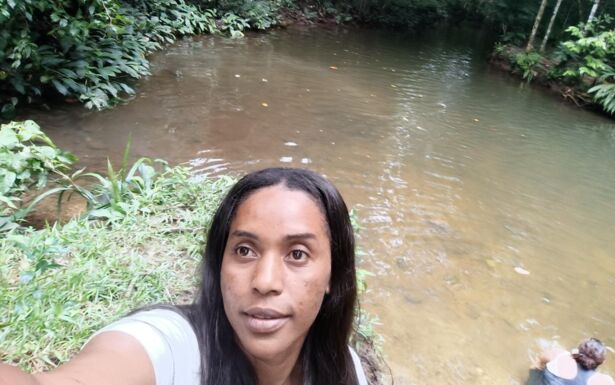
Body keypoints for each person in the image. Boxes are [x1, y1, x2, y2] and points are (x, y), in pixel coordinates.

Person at [0, 167, 369, 385]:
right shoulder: (173, 348)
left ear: (332, 275)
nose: (265, 281)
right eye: (244, 250)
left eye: (297, 254)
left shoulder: (343, 368)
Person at [536, 338, 615, 385]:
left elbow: (538, 364)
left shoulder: (557, 355)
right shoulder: (605, 381)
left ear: (578, 350)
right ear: (602, 361)